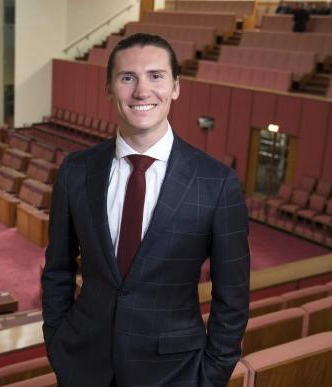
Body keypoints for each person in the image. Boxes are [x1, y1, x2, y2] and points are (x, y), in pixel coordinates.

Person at [41, 33, 250, 387]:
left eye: (155, 76)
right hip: (83, 365)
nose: (141, 91)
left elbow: (232, 296)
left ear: (176, 87)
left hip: (176, 372)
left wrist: (210, 375)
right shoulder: (76, 170)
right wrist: (58, 342)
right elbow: (58, 269)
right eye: (127, 78)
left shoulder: (217, 182)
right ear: (109, 88)